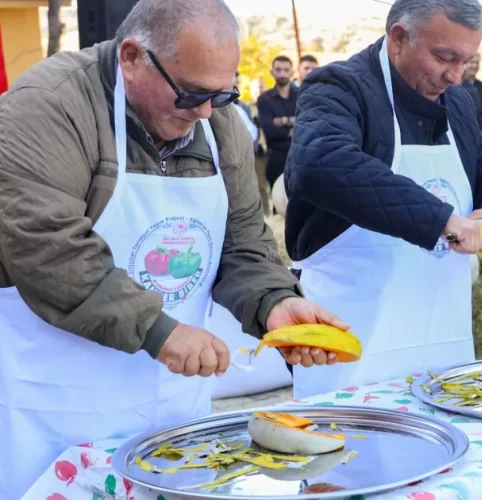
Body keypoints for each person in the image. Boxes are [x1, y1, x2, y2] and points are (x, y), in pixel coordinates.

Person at [0, 1, 345, 497]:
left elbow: (243, 237)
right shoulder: (46, 106)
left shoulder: (216, 122)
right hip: (55, 403)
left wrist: (275, 301)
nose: (206, 111)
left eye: (222, 93)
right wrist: (158, 330)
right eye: (191, 94)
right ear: (133, 57)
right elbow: (47, 247)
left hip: (174, 403)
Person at [283, 0, 482, 400]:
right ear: (398, 38)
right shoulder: (340, 86)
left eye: (466, 61)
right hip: (354, 340)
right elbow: (319, 162)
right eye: (444, 57)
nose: (454, 75)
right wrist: (443, 220)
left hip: (440, 335)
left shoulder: (457, 100)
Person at [257, 55, 297, 190]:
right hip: (277, 161)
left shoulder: (302, 95)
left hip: (301, 160)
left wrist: (283, 121)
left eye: (286, 70)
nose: (282, 74)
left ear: (292, 72)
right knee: (279, 205)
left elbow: (308, 124)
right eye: (278, 70)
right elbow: (270, 131)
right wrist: (294, 125)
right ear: (272, 72)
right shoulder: (264, 99)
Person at [461, 53, 482, 138]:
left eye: (477, 63)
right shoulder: (454, 87)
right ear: (464, 64)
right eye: (471, 62)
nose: (475, 66)